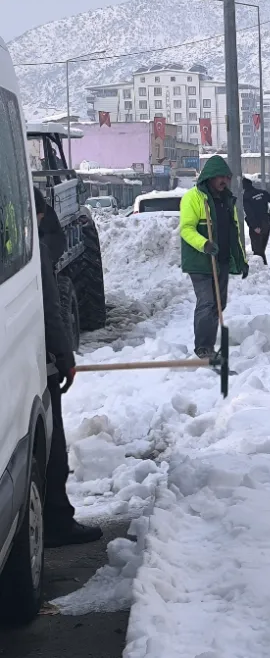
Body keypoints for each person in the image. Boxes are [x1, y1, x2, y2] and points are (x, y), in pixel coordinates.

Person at [33, 188, 102, 547]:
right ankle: (57, 521)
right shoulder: (34, 250)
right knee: (51, 445)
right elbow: (51, 312)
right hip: (35, 364)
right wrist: (66, 359)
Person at [179, 156, 248, 359]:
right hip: (200, 262)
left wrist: (241, 260)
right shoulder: (193, 198)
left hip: (222, 260)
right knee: (207, 302)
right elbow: (186, 229)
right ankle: (203, 347)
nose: (224, 181)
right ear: (209, 177)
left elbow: (234, 233)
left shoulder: (227, 200)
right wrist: (204, 244)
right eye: (220, 177)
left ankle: (208, 343)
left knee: (219, 304)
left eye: (226, 177)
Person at [242, 177, 270, 265]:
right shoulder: (262, 192)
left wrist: (255, 226)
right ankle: (264, 271)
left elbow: (249, 213)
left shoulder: (246, 196)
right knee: (262, 248)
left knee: (257, 251)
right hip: (266, 223)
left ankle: (262, 270)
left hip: (257, 225)